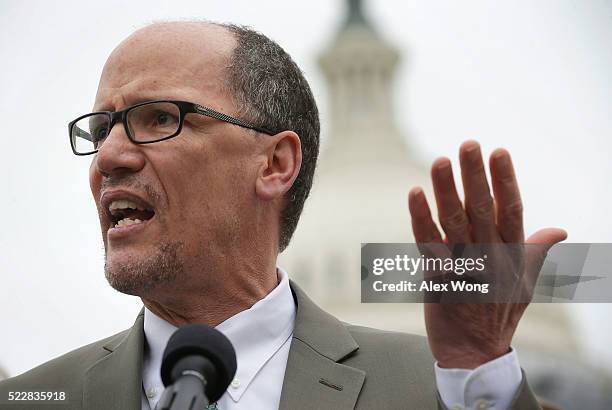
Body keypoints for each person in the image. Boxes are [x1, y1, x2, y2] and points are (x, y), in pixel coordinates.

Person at [0, 21, 566, 410]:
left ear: (275, 163)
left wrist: (478, 369)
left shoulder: (438, 390)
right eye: (101, 129)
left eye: (159, 118)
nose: (110, 156)